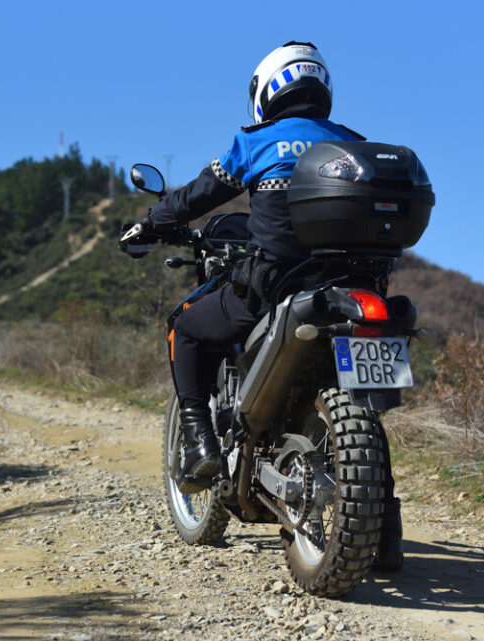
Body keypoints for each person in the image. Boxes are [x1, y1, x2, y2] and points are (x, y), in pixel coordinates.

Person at [123, 41, 403, 570]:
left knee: (184, 325)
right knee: (367, 405)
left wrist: (153, 219)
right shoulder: (353, 145)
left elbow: (199, 195)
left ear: (268, 91)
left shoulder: (257, 141)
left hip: (275, 289)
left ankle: (201, 443)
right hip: (356, 291)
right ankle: (385, 534)